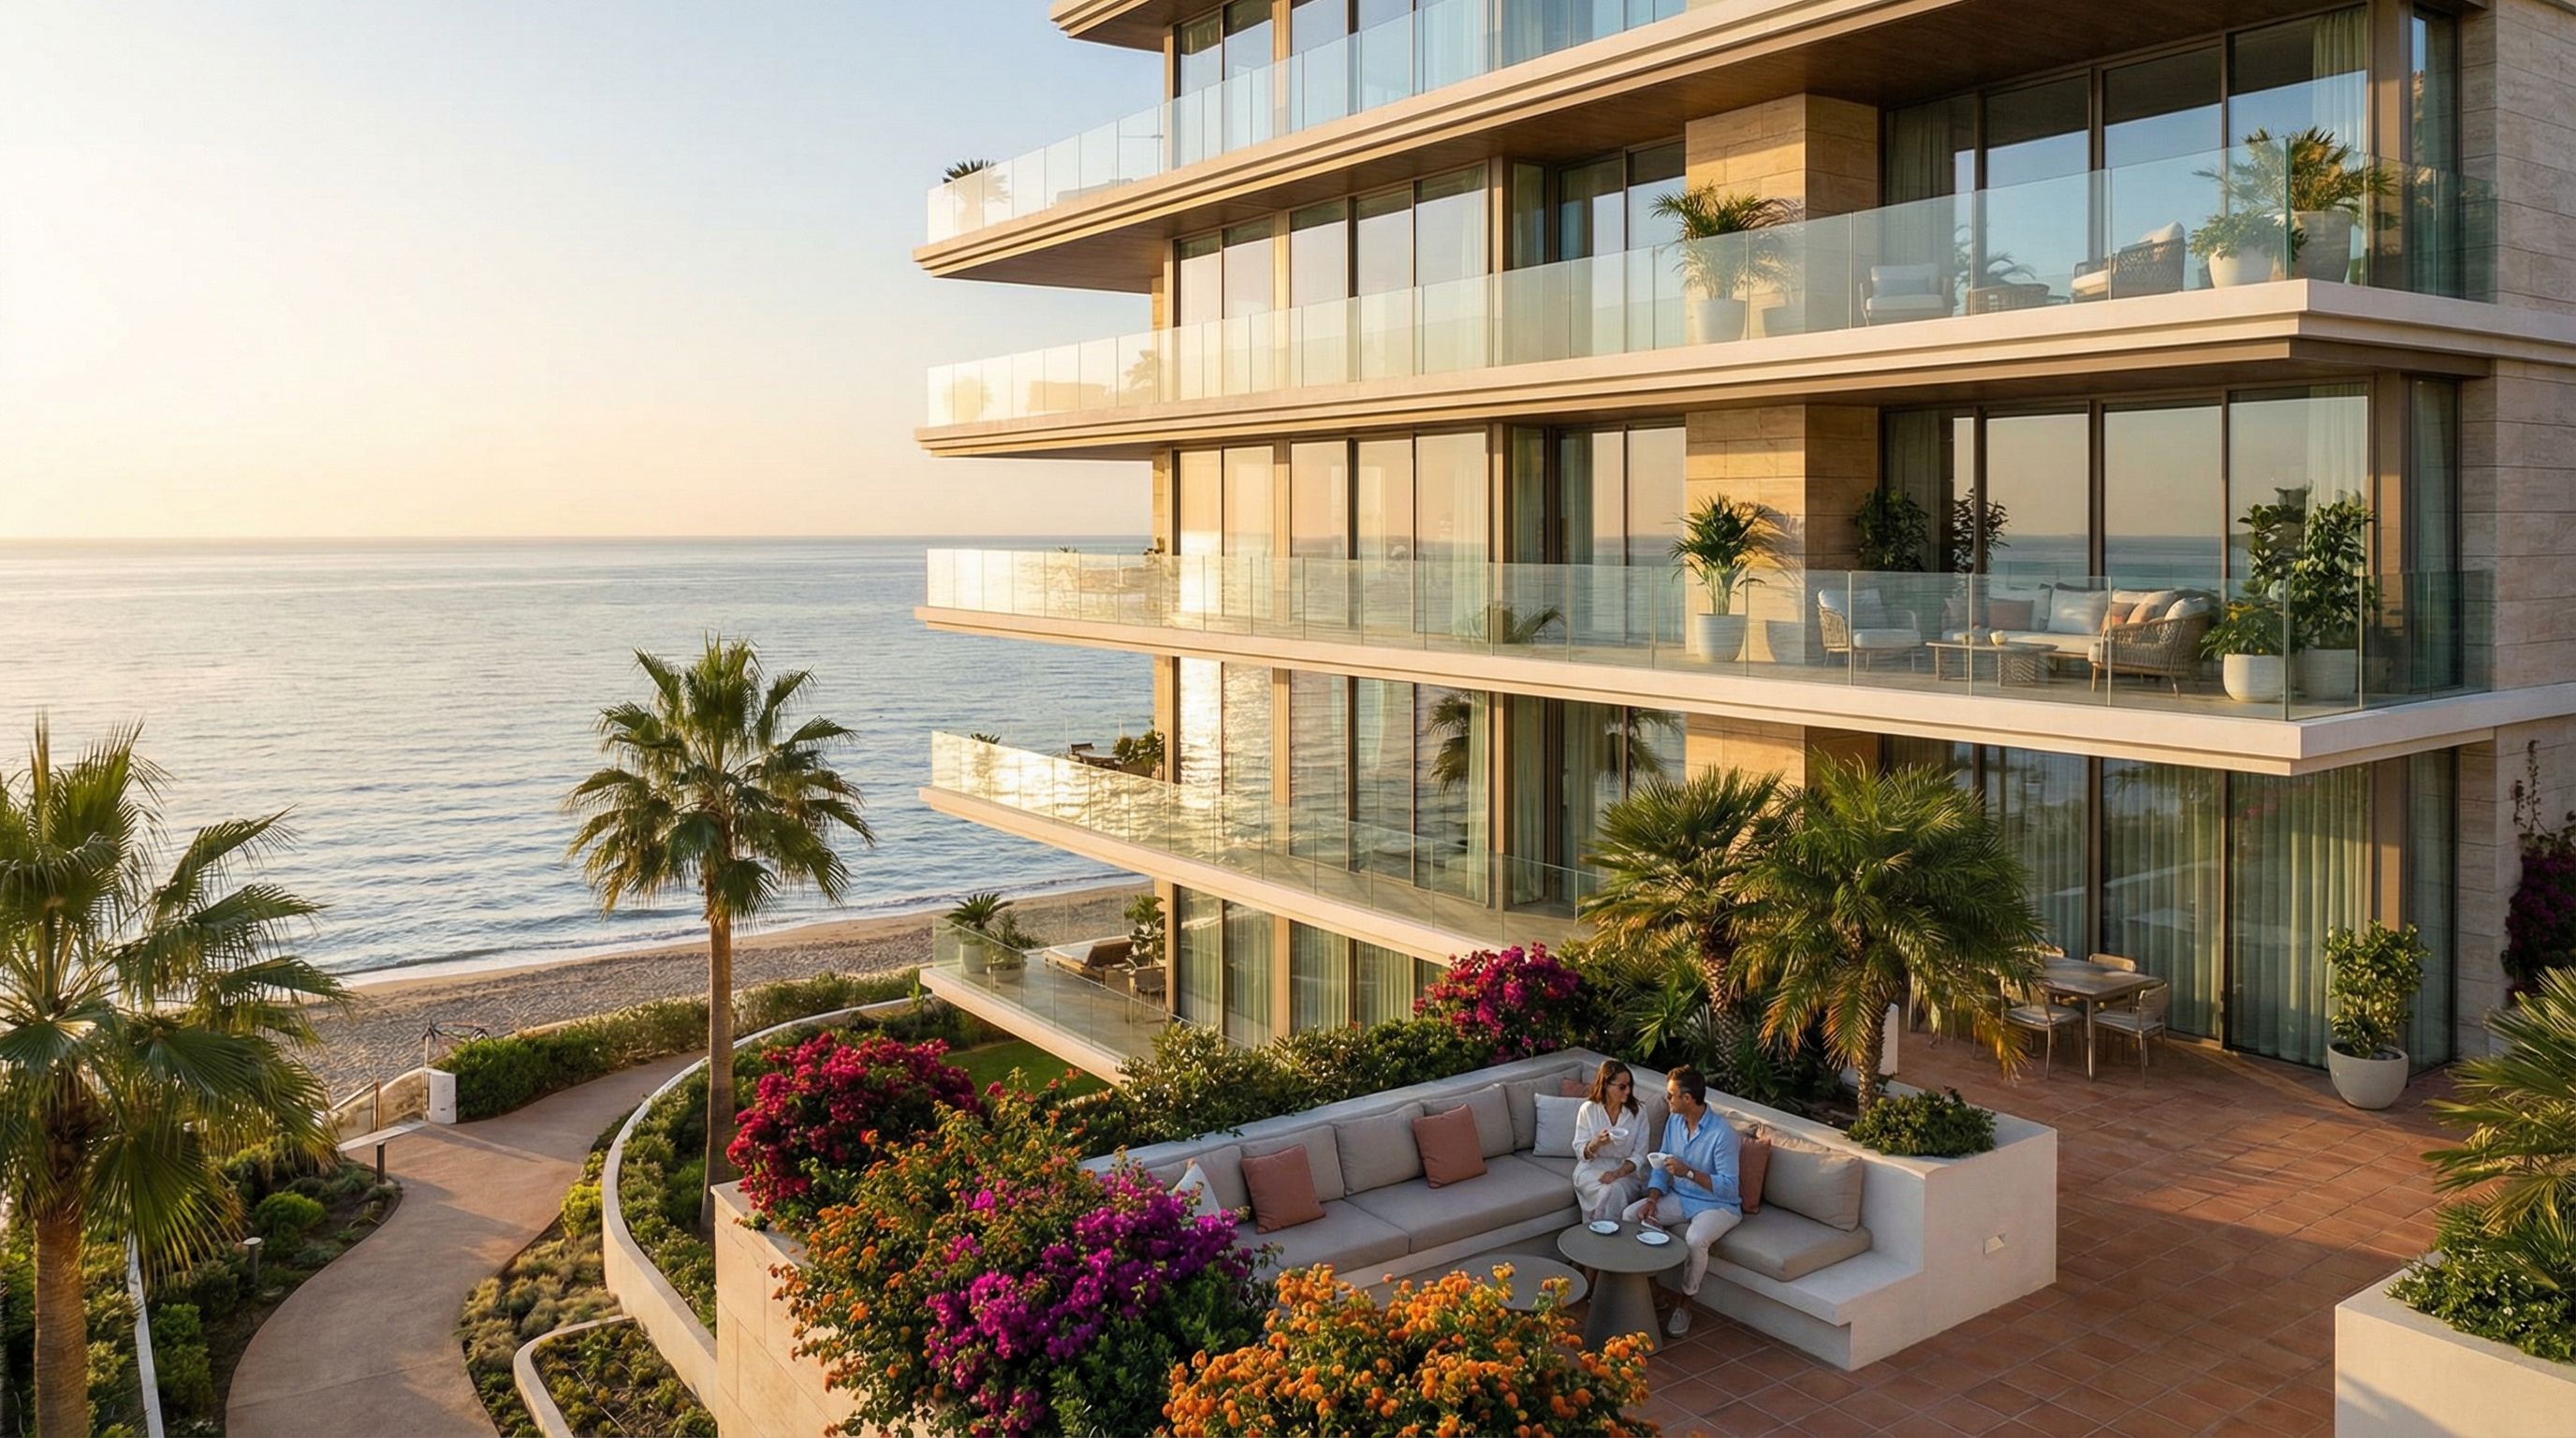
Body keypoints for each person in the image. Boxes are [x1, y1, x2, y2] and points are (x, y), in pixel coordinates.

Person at [1621, 1064, 1741, 1337]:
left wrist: (1688, 1172)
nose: (1667, 1099)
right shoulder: (1674, 1122)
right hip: (1680, 1197)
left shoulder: (1722, 1135)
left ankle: (1685, 1304)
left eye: (1671, 1095)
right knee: (1631, 1216)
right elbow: (1662, 1165)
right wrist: (1652, 1199)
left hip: (1718, 1205)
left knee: (1696, 1239)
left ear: (1688, 1098)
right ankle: (1652, 1289)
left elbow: (1730, 1187)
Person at [1571, 1060, 1648, 1222]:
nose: (1628, 1091)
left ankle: (1598, 1226)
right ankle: (1603, 1228)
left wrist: (1616, 1174)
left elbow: (1640, 1156)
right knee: (1606, 1191)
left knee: (1612, 1190)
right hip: (1592, 1170)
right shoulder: (1589, 1109)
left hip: (1625, 1172)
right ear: (1606, 1085)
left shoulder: (1638, 1112)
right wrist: (1595, 1144)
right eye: (1622, 1086)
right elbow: (1580, 1151)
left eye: (1629, 1085)